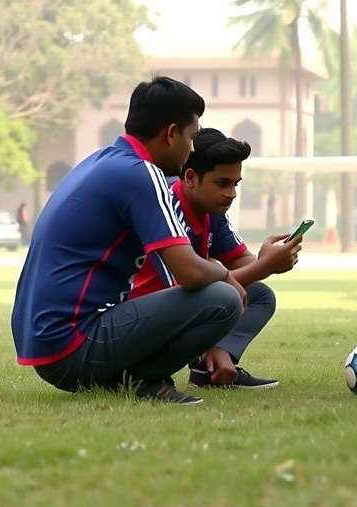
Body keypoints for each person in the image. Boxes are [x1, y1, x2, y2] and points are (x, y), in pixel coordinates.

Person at [11, 76, 249, 405]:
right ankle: (142, 380)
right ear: (170, 134)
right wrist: (223, 272)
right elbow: (190, 274)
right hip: (70, 346)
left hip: (44, 343)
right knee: (223, 298)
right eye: (191, 137)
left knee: (216, 292)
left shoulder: (101, 162)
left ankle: (131, 377)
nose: (192, 149)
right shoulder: (140, 173)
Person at [128, 127, 302, 390]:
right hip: (144, 313)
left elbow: (242, 261)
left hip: (184, 304)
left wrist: (271, 259)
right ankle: (147, 372)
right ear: (190, 178)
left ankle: (210, 370)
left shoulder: (212, 210)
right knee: (223, 295)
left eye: (235, 184)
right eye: (222, 183)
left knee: (259, 295)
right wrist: (264, 266)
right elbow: (186, 284)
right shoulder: (166, 207)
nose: (231, 193)